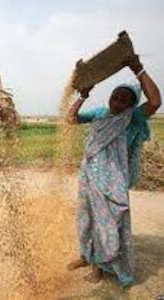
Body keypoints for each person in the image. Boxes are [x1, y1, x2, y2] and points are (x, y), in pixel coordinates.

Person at [66, 54, 162, 286]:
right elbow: (71, 119)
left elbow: (156, 102)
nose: (116, 102)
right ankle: (86, 256)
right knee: (87, 218)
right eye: (114, 97)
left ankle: (101, 265)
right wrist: (82, 96)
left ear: (131, 104)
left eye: (123, 100)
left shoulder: (133, 117)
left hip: (112, 180)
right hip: (89, 174)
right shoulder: (100, 114)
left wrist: (138, 69)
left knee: (107, 222)